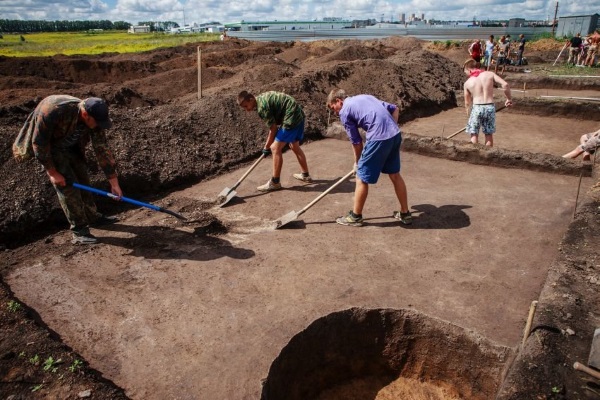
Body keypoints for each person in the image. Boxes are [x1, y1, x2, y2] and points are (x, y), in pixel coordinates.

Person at [12, 95, 122, 244]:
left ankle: (92, 216)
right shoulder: (53, 111)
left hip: (72, 145)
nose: (98, 125)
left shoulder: (95, 120)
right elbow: (39, 144)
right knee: (68, 187)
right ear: (85, 114)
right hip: (52, 147)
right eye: (96, 122)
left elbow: (102, 149)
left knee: (83, 178)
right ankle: (79, 231)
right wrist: (53, 173)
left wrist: (114, 183)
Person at [326, 89, 411, 227]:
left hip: (378, 138)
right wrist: (391, 128)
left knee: (361, 177)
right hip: (395, 135)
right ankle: (405, 213)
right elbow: (394, 109)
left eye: (333, 108)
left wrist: (357, 163)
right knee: (394, 174)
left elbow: (357, 142)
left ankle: (355, 216)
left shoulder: (345, 111)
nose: (335, 113)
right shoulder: (365, 97)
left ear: (338, 101)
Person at [237, 90, 312, 192]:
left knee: (275, 148)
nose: (246, 109)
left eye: (246, 106)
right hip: (297, 113)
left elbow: (273, 129)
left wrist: (266, 147)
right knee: (294, 145)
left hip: (291, 116)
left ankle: (275, 182)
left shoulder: (262, 108)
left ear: (251, 99)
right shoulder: (261, 98)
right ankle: (305, 175)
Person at [462, 59, 513, 147]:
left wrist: (469, 117)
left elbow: (467, 103)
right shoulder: (490, 74)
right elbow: (505, 85)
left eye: (465, 72)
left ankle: (475, 154)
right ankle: (487, 155)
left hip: (477, 107)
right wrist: (509, 99)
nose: (466, 74)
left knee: (474, 133)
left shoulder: (467, 83)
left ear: (469, 70)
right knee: (488, 135)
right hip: (489, 107)